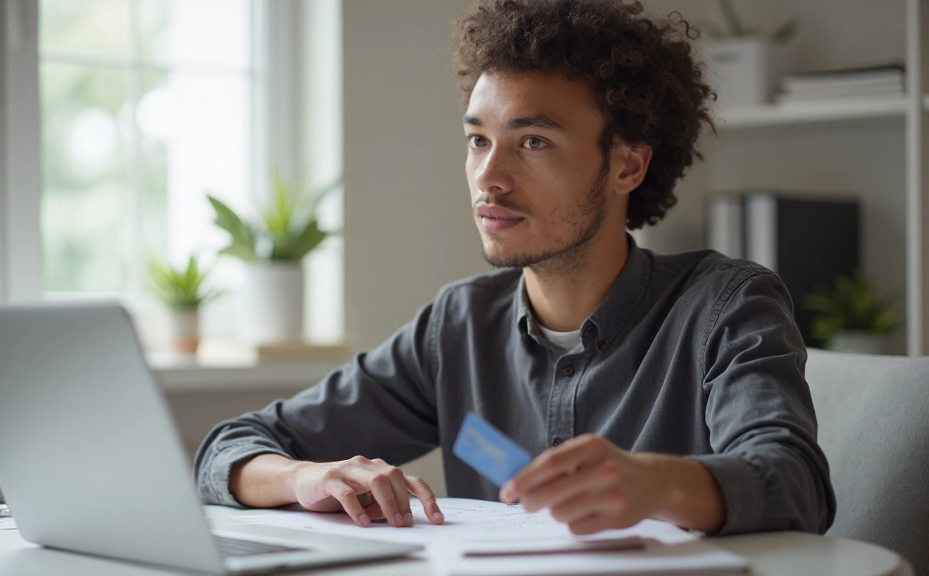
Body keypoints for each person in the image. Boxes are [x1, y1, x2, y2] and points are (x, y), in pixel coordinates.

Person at [194, 0, 835, 536]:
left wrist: (653, 483)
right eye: (478, 140)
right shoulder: (459, 325)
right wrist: (305, 476)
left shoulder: (725, 306)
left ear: (627, 166)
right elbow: (230, 448)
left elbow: (796, 485)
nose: (488, 178)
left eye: (533, 142)